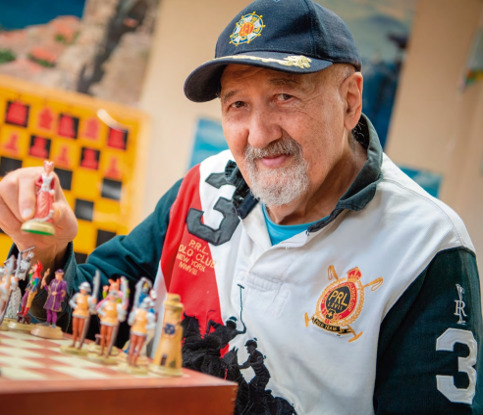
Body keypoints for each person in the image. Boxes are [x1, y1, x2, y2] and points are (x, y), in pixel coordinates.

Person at [0, 0, 481, 413]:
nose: (259, 134)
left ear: (350, 100)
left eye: (284, 96)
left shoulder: (426, 244)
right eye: (237, 105)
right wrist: (48, 250)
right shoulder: (202, 186)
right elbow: (85, 313)